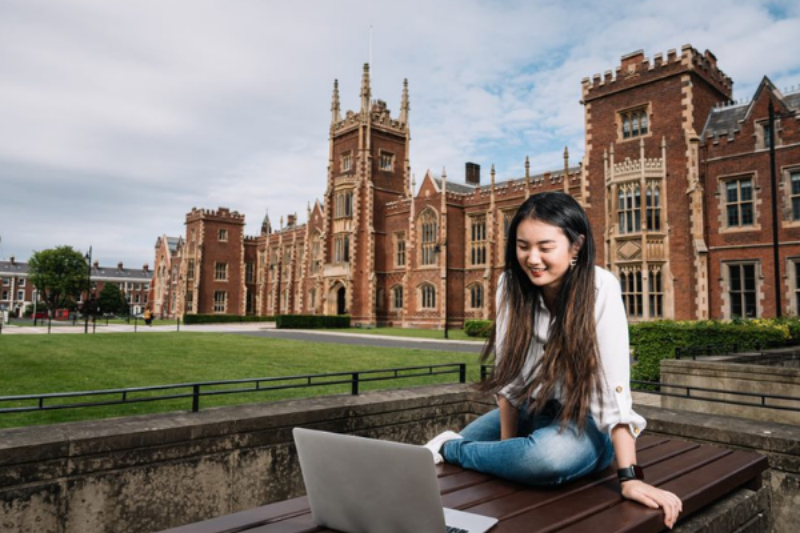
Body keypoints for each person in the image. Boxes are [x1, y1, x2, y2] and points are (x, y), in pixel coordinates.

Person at [425, 192, 682, 529]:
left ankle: (451, 447)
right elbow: (511, 378)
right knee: (498, 456)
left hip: (585, 423)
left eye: (545, 247)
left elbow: (612, 391)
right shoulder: (509, 285)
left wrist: (630, 477)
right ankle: (459, 448)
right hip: (531, 411)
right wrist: (508, 452)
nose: (532, 258)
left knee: (545, 459)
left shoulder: (599, 287)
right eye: (522, 246)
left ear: (576, 246)